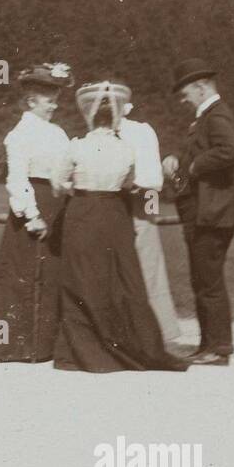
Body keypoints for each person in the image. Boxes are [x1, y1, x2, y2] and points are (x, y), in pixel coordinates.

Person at [51, 81, 188, 373]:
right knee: (121, 279)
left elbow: (58, 184)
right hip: (115, 211)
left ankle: (86, 346)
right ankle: (124, 340)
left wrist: (74, 186)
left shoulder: (78, 146)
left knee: (82, 276)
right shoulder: (127, 148)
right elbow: (136, 180)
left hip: (85, 210)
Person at [0, 63, 74, 362]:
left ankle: (44, 345)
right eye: (49, 98)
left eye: (56, 97)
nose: (55, 103)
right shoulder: (20, 134)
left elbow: (66, 170)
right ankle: (6, 345)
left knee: (52, 273)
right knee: (21, 274)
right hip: (34, 208)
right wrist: (32, 214)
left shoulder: (58, 132)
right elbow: (16, 179)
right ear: (31, 101)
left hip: (57, 206)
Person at [162, 58, 234, 366]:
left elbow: (232, 150)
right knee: (204, 279)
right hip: (206, 212)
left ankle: (218, 348)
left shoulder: (215, 114)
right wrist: (178, 161)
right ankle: (209, 344)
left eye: (184, 92)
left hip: (213, 213)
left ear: (201, 87)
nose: (182, 99)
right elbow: (207, 151)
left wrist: (194, 166)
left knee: (208, 280)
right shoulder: (205, 117)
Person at [117, 95, 183, 345]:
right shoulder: (96, 135)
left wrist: (150, 212)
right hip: (109, 207)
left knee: (148, 265)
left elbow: (154, 179)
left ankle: (157, 332)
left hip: (139, 204)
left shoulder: (140, 132)